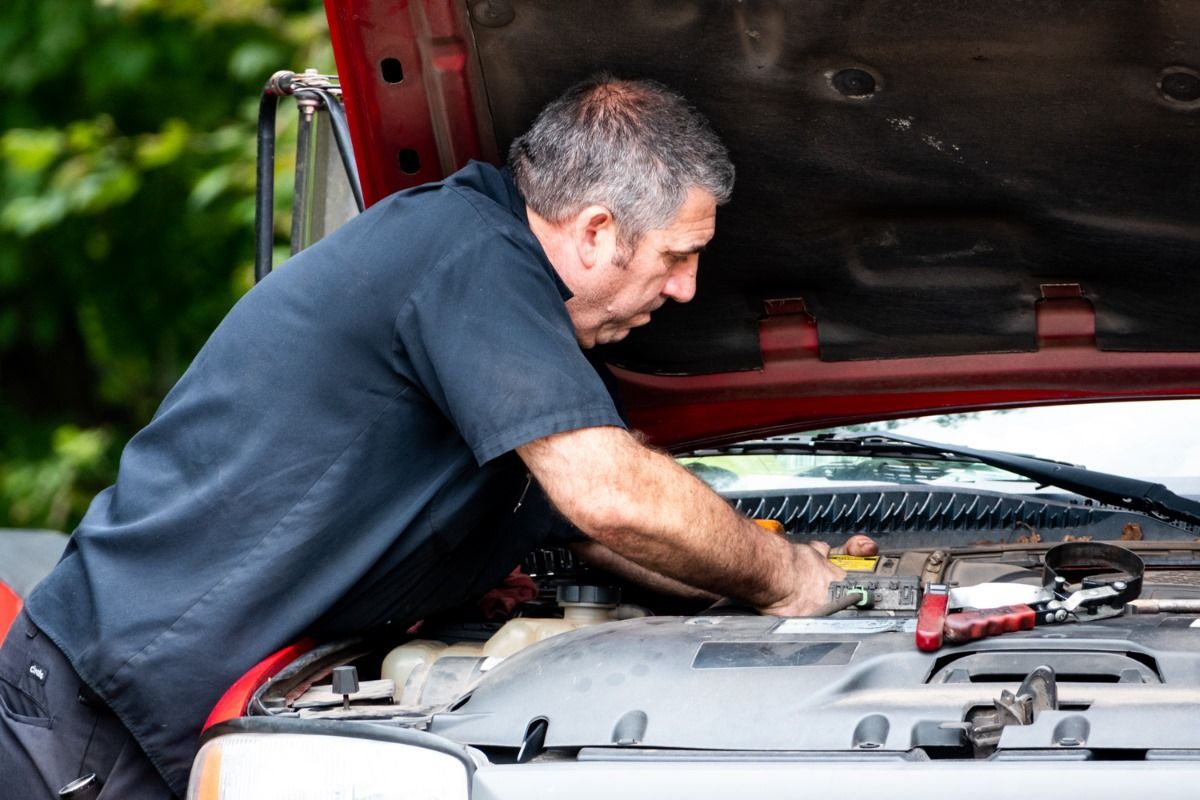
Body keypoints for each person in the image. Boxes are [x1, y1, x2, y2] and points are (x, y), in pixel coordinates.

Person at [0, 75, 875, 798]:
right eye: (677, 257)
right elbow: (611, 496)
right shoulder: (465, 256)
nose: (685, 291)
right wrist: (785, 579)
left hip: (215, 717)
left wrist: (777, 571)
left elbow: (593, 533)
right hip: (98, 725)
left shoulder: (507, 310)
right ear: (598, 231)